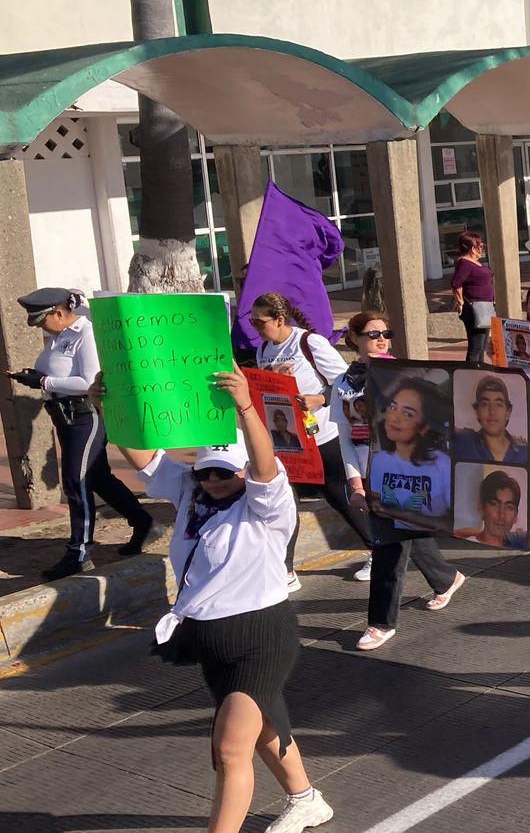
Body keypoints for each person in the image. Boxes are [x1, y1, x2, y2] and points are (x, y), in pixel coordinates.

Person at [93, 367, 335, 833]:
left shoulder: (267, 506)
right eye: (206, 472)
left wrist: (245, 407)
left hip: (259, 636)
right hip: (209, 639)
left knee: (229, 749)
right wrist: (110, 406)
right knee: (264, 727)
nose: (215, 480)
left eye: (226, 471)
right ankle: (306, 799)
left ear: (243, 470)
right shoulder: (189, 492)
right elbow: (145, 459)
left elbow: (266, 468)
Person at [12, 288, 155, 580]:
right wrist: (35, 377)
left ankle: (78, 552)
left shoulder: (85, 333)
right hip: (64, 417)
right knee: (98, 478)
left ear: (59, 313)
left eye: (42, 321)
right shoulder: (59, 337)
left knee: (75, 482)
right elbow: (53, 375)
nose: (40, 327)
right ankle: (143, 522)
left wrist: (43, 380)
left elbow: (89, 381)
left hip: (85, 416)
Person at [250, 292, 367, 591]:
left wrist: (320, 398)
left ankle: (379, 548)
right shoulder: (264, 348)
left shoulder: (308, 344)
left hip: (323, 437)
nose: (255, 327)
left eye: (259, 321)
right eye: (252, 322)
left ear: (278, 319)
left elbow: (347, 384)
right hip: (285, 440)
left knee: (341, 497)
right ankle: (286, 570)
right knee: (283, 503)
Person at [357, 374, 467, 651]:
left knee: (391, 550)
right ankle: (445, 578)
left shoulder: (440, 464)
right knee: (396, 537)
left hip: (413, 506)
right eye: (392, 407)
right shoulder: (381, 459)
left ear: (423, 425)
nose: (395, 416)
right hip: (381, 496)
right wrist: (356, 484)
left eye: (408, 413)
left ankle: (381, 623)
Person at [331, 311, 393, 583]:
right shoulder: (342, 383)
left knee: (400, 532)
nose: (382, 339)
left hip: (398, 466)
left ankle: (443, 577)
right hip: (366, 467)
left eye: (386, 334)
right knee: (393, 532)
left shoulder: (400, 372)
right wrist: (355, 483)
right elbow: (345, 438)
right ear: (355, 338)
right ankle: (445, 578)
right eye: (373, 334)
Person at [451, 376, 530, 463]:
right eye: (485, 404)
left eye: (498, 404)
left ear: (508, 412)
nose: (492, 411)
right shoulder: (463, 442)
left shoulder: (525, 451)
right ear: (477, 411)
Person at [450, 230, 494, 365]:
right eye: (480, 245)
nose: (482, 248)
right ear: (472, 247)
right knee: (476, 345)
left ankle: (478, 369)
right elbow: (456, 283)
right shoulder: (465, 263)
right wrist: (460, 301)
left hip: (485, 307)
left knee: (482, 344)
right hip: (474, 308)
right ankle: (470, 372)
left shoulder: (475, 262)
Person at [471, 471, 527, 549]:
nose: (501, 515)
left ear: (515, 516)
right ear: (481, 508)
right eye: (494, 504)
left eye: (509, 507)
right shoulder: (466, 547)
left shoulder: (516, 543)